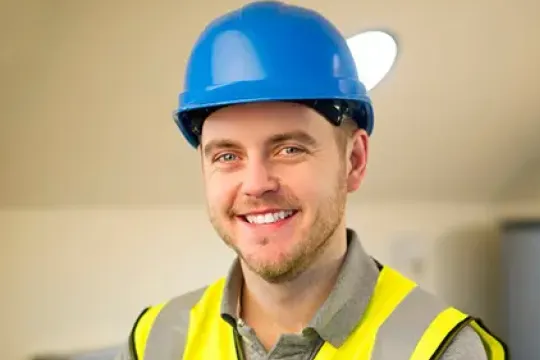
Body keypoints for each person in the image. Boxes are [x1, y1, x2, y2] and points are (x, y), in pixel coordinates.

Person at [115, 1, 507, 359]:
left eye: (289, 149)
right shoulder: (157, 341)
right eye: (227, 156)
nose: (256, 184)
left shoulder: (440, 350)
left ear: (353, 161)